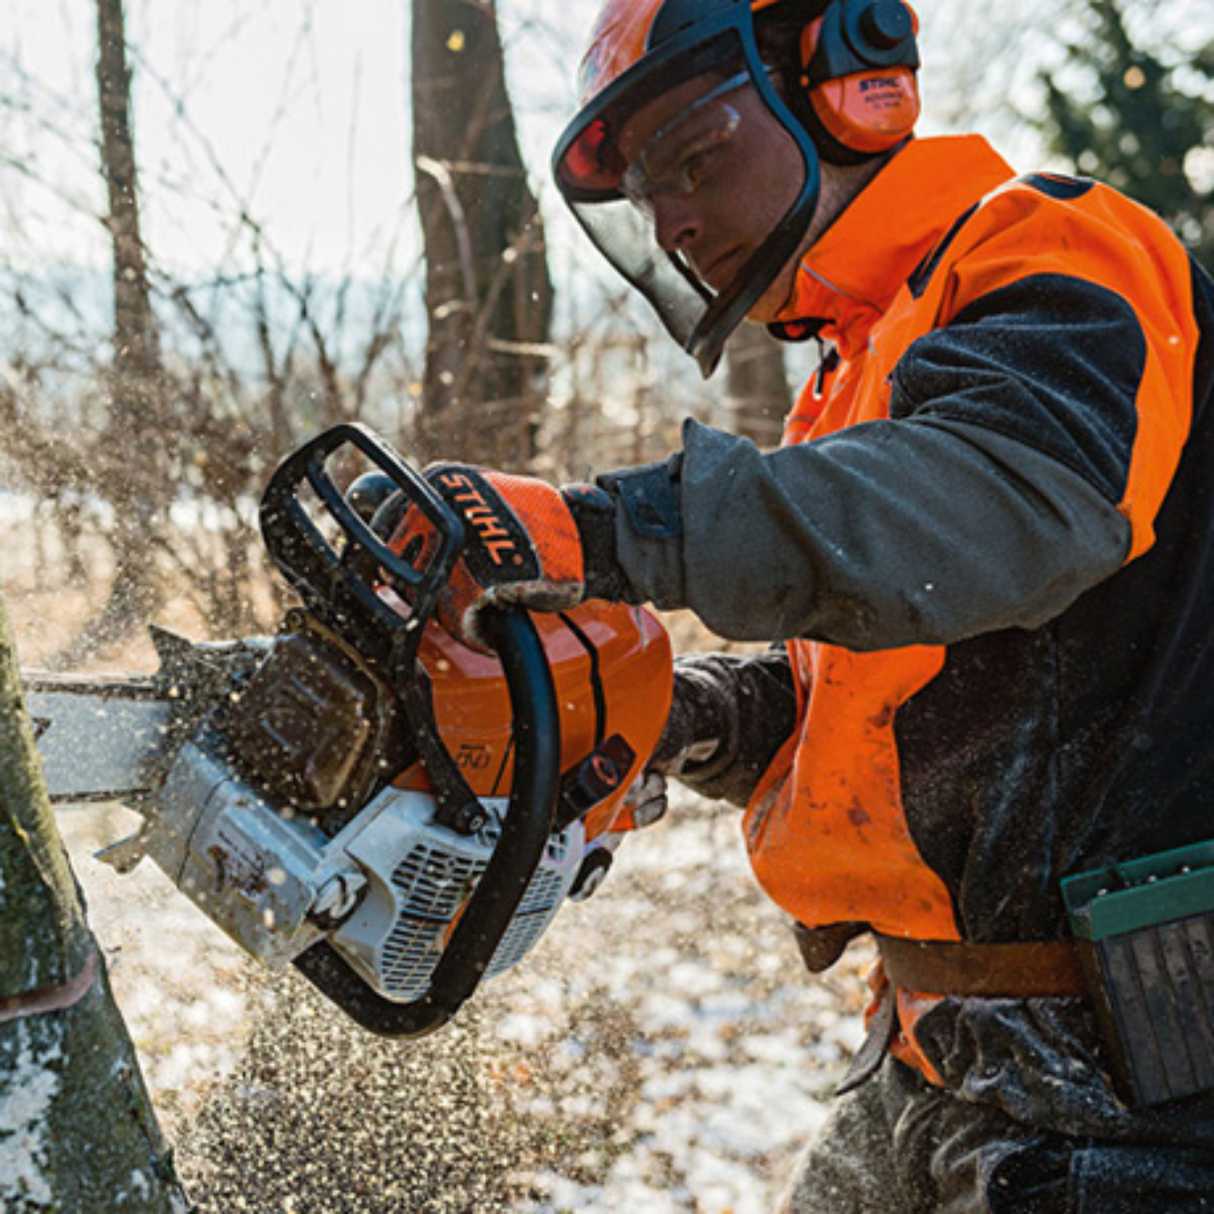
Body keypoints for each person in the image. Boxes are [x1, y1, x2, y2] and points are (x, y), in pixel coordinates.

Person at [389, 0, 1214, 1208]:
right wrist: (678, 714)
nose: (670, 218)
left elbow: (1006, 508)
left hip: (1134, 1084)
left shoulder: (1050, 250)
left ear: (837, 81)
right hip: (936, 1048)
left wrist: (615, 532)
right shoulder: (857, 364)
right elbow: (897, 693)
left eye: (692, 158)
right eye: (645, 193)